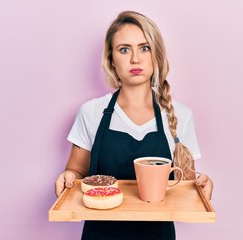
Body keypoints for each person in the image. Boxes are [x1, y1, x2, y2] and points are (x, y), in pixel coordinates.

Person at [55, 10, 213, 240]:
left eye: (144, 48)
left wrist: (202, 184)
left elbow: (185, 184)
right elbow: (76, 172)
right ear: (111, 59)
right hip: (100, 235)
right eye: (124, 49)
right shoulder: (91, 112)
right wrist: (67, 176)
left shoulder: (180, 115)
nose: (135, 59)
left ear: (156, 55)